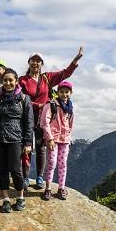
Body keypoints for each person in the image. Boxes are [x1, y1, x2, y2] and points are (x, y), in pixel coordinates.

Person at [18, 47, 83, 189]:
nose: (35, 63)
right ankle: (25, 177)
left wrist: (75, 60)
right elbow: (21, 98)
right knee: (26, 146)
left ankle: (40, 177)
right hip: (26, 117)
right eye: (33, 60)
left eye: (38, 61)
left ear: (42, 64)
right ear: (29, 63)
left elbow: (65, 74)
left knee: (41, 147)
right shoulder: (22, 80)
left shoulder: (47, 78)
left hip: (44, 118)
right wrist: (39, 104)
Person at [0, 69, 34, 213]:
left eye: (11, 80)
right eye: (5, 80)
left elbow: (29, 122)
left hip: (16, 138)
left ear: (16, 81)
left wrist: (28, 143)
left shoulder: (23, 98)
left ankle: (20, 197)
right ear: (2, 82)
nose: (8, 83)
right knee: (2, 169)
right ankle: (5, 199)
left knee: (16, 170)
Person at [40, 81, 75, 201]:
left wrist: (69, 138)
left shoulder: (70, 107)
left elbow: (70, 124)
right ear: (57, 92)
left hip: (65, 139)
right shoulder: (51, 105)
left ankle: (61, 188)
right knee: (52, 163)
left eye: (67, 92)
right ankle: (48, 188)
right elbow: (44, 122)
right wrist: (49, 138)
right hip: (53, 139)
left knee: (63, 164)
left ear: (71, 93)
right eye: (61, 92)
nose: (64, 94)